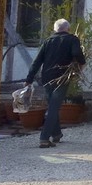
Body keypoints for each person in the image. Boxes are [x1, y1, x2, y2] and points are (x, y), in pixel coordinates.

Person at [25, 18, 84, 148]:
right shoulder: (72, 39)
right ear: (67, 29)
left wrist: (29, 79)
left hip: (47, 78)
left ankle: (57, 134)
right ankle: (44, 138)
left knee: (52, 105)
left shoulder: (48, 41)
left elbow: (37, 61)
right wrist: (81, 64)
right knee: (53, 107)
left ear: (55, 29)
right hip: (62, 78)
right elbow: (76, 53)